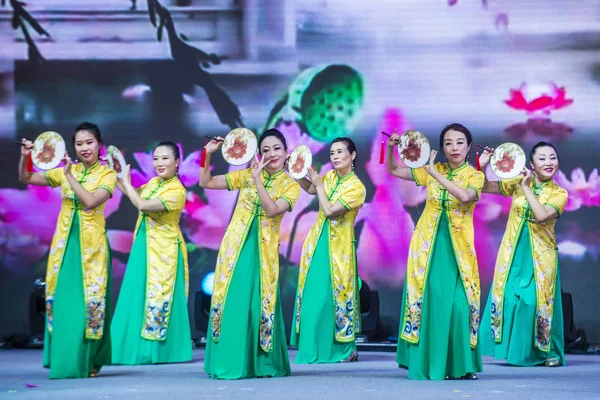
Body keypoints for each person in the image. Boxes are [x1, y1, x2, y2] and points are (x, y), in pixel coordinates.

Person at [18, 122, 117, 379]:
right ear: (73, 146)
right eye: (79, 143)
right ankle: (63, 358)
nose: (84, 148)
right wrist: (26, 157)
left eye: (89, 142)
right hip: (64, 245)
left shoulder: (107, 175)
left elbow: (91, 201)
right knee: (62, 301)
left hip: (91, 247)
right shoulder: (63, 172)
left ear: (99, 145)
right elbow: (26, 177)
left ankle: (90, 358)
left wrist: (70, 176)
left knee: (89, 303)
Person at [200, 129, 300, 379]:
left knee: (258, 303)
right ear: (259, 154)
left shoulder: (290, 185)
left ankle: (260, 363)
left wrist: (257, 180)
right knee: (233, 300)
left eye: (277, 148)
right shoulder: (245, 175)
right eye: (265, 150)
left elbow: (273, 210)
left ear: (287, 153)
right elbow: (207, 182)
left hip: (263, 253)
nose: (272, 154)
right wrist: (206, 154)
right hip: (235, 247)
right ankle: (229, 360)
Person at [387, 123, 484, 380]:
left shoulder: (475, 176)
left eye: (460, 142)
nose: (454, 148)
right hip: (428, 247)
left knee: (461, 307)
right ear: (441, 147)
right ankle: (428, 362)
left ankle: (461, 365)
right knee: (432, 305)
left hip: (459, 250)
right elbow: (394, 169)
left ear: (469, 146)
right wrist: (390, 150)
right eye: (449, 143)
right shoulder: (433, 169)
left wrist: (435, 175)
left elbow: (465, 197)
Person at [479, 142, 568, 367]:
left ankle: (545, 352)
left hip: (540, 256)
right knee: (507, 297)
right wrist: (481, 167)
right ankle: (509, 350)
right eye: (542, 158)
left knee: (533, 303)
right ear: (531, 163)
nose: (549, 162)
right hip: (513, 251)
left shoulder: (559, 193)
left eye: (552, 157)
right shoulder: (517, 182)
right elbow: (485, 187)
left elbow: (540, 215)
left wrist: (527, 187)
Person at [111, 142, 191, 365]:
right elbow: (133, 194)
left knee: (160, 296)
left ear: (177, 162)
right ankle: (130, 348)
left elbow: (143, 205)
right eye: (155, 158)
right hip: (144, 245)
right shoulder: (154, 183)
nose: (159, 163)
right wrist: (116, 176)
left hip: (164, 249)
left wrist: (125, 183)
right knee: (137, 294)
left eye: (165, 158)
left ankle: (160, 352)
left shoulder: (177, 191)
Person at [291, 138, 366, 364]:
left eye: (340, 152)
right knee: (313, 296)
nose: (334, 156)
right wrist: (295, 171)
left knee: (335, 299)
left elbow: (331, 210)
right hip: (317, 242)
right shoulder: (330, 176)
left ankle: (343, 350)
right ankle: (311, 349)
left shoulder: (357, 187)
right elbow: (312, 189)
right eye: (332, 152)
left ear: (352, 156)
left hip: (339, 249)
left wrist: (319, 185)